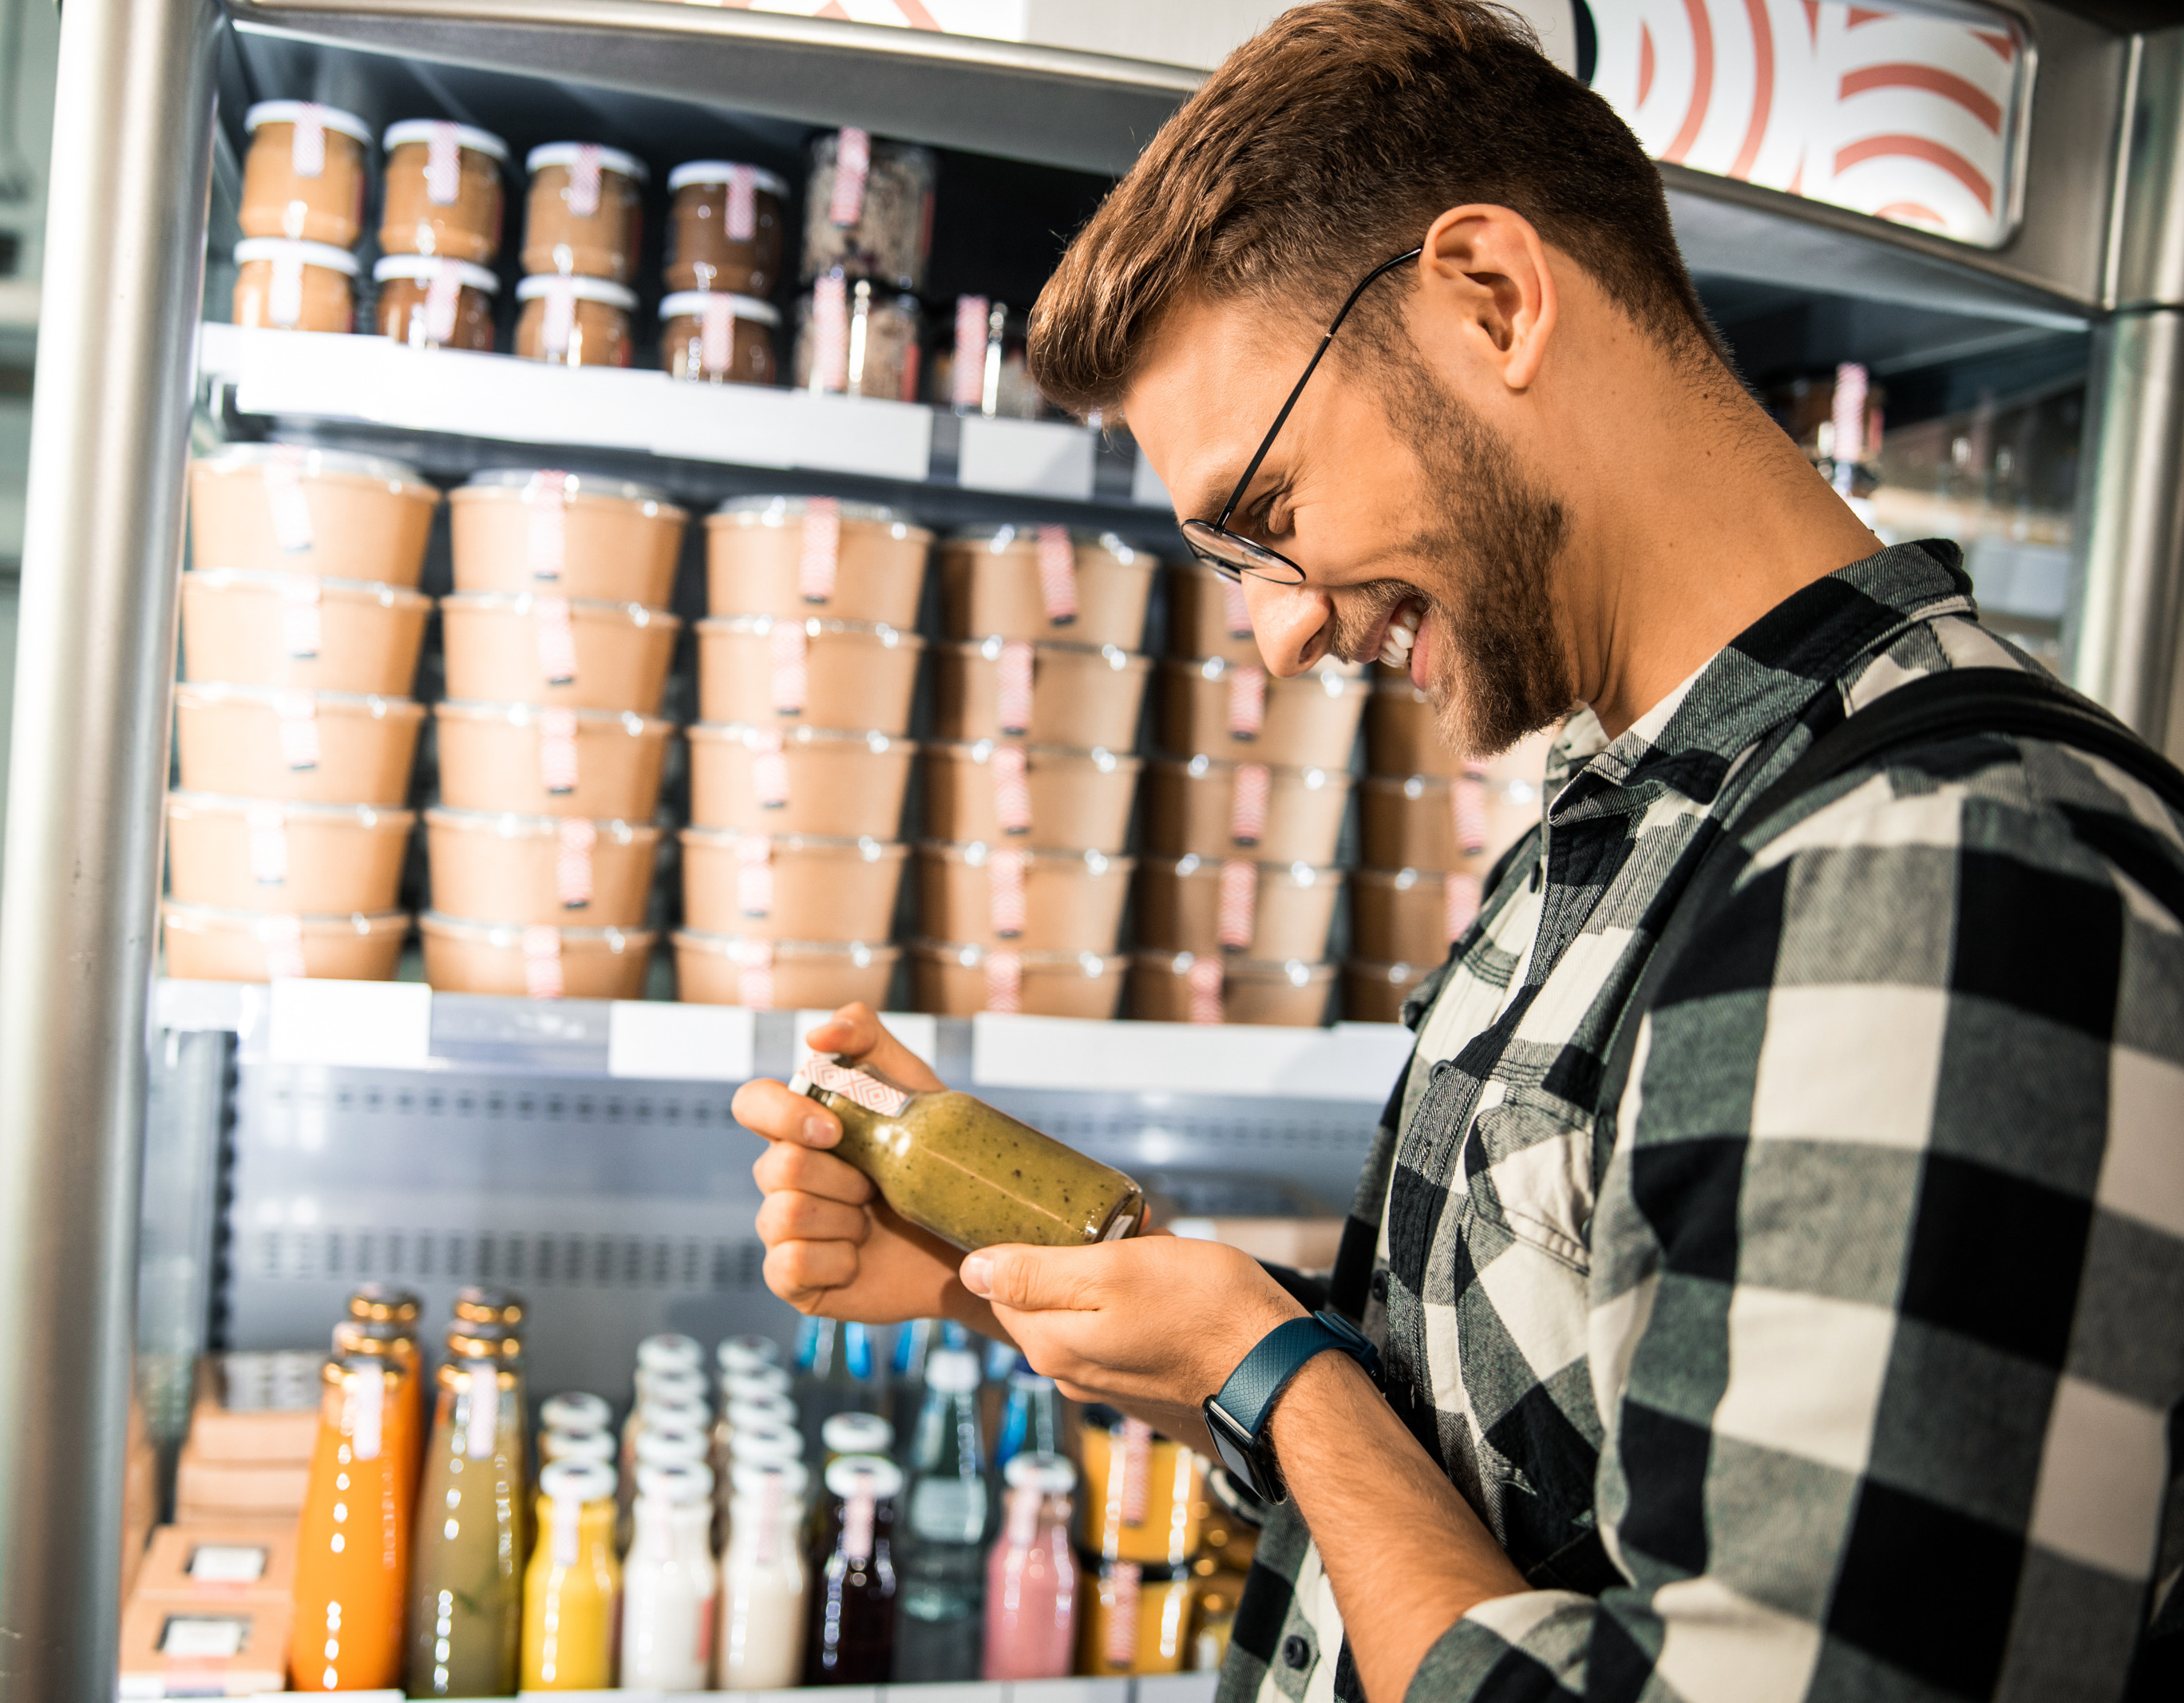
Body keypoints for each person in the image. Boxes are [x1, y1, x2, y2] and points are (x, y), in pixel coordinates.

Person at [734, 3, 2184, 1701]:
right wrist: (1011, 1268)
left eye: (1270, 517)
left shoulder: (1946, 873)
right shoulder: (1628, 808)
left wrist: (1280, 1372)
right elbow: (1490, 1456)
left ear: (1491, 297)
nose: (1278, 634)